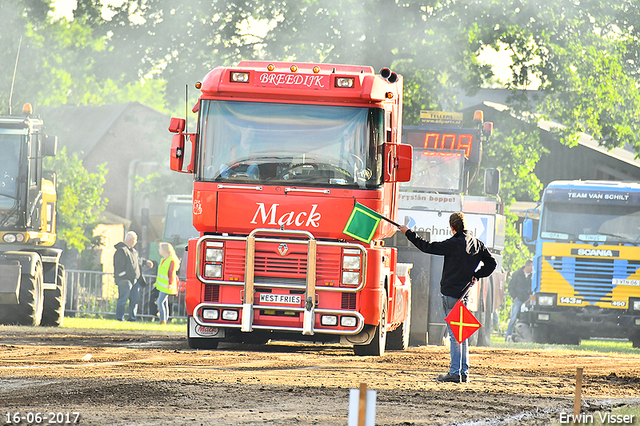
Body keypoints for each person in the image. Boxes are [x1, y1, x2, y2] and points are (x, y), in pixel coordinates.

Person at [399, 212, 497, 383]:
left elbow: (426, 247)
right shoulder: (477, 244)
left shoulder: (453, 243)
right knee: (462, 334)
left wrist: (408, 233)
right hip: (465, 294)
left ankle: (454, 372)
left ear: (452, 228)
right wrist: (476, 275)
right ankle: (463, 372)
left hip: (451, 294)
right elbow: (492, 264)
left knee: (455, 336)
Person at [113, 231, 153, 321]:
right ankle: (120, 318)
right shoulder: (121, 250)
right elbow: (118, 265)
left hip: (135, 281)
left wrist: (145, 262)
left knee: (134, 300)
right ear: (131, 240)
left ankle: (132, 317)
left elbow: (137, 261)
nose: (135, 242)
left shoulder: (133, 251)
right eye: (135, 240)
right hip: (125, 280)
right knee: (123, 300)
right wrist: (124, 276)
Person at [506, 259, 533, 342]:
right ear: (528, 266)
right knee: (513, 319)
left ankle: (526, 337)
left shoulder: (532, 276)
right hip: (519, 300)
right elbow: (510, 286)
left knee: (529, 318)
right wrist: (515, 297)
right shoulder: (517, 274)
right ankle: (508, 336)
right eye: (532, 266)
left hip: (528, 301)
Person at [155, 242, 181, 325]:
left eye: (160, 248)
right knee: (164, 302)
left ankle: (163, 320)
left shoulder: (171, 261)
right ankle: (165, 319)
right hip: (162, 286)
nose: (159, 250)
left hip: (167, 286)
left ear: (165, 250)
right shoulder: (162, 260)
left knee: (160, 302)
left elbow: (171, 273)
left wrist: (170, 284)